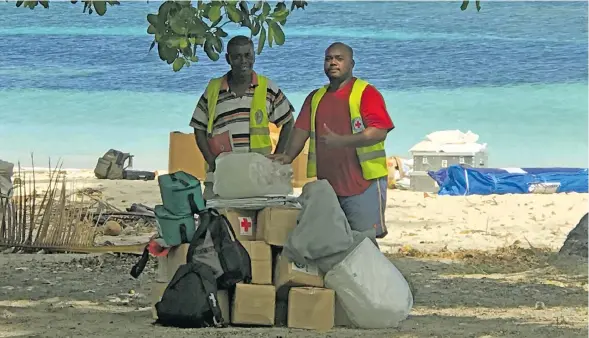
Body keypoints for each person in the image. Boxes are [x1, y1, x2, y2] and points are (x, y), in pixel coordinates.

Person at [269, 42, 394, 243]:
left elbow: (380, 131)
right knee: (334, 243)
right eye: (328, 59)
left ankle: (373, 276)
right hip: (329, 187)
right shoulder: (315, 97)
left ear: (352, 64)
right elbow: (300, 130)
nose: (333, 62)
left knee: (364, 244)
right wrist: (288, 156)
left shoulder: (366, 93)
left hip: (364, 185)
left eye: (339, 58)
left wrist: (342, 141)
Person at [189, 35, 295, 193]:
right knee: (220, 216)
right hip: (224, 173)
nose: (243, 61)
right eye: (237, 57)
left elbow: (288, 122)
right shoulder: (213, 90)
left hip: (258, 174)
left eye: (248, 55)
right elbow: (199, 127)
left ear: (254, 56)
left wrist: (278, 156)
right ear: (228, 59)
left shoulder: (267, 88)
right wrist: (210, 160)